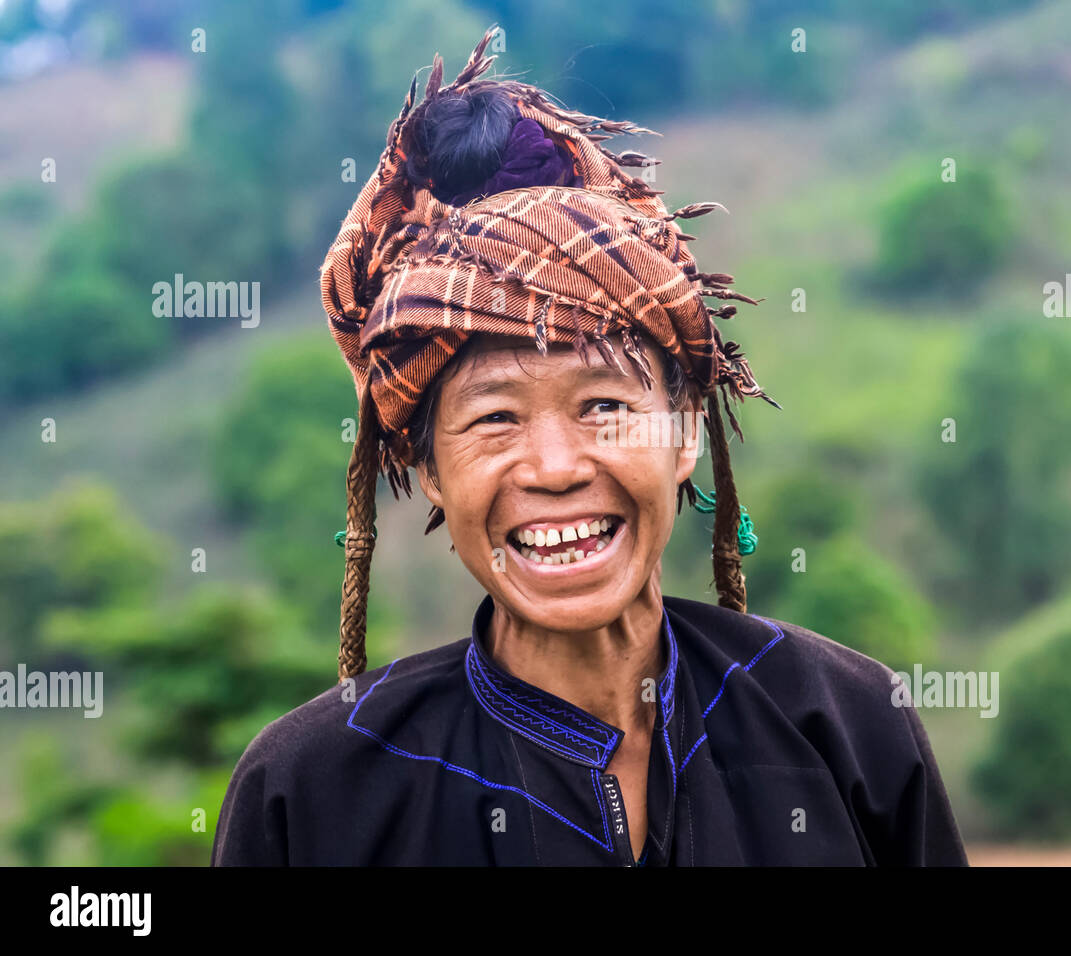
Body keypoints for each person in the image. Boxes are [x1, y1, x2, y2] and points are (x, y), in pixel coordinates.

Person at [211, 26, 969, 866]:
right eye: (494, 418)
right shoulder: (314, 793)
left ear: (685, 431)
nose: (556, 467)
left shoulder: (845, 724)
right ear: (428, 469)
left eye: (604, 405)